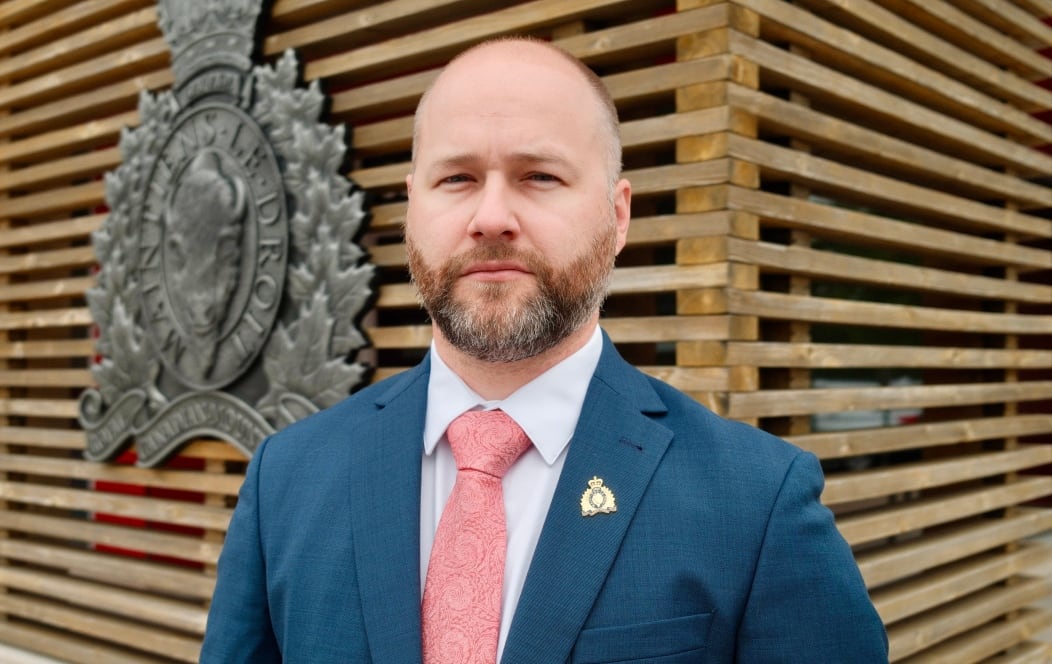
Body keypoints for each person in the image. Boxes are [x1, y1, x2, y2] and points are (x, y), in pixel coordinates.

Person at [201, 37, 888, 663]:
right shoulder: (285, 478)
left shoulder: (758, 503)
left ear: (618, 216)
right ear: (413, 206)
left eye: (539, 177)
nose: (491, 217)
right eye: (457, 179)